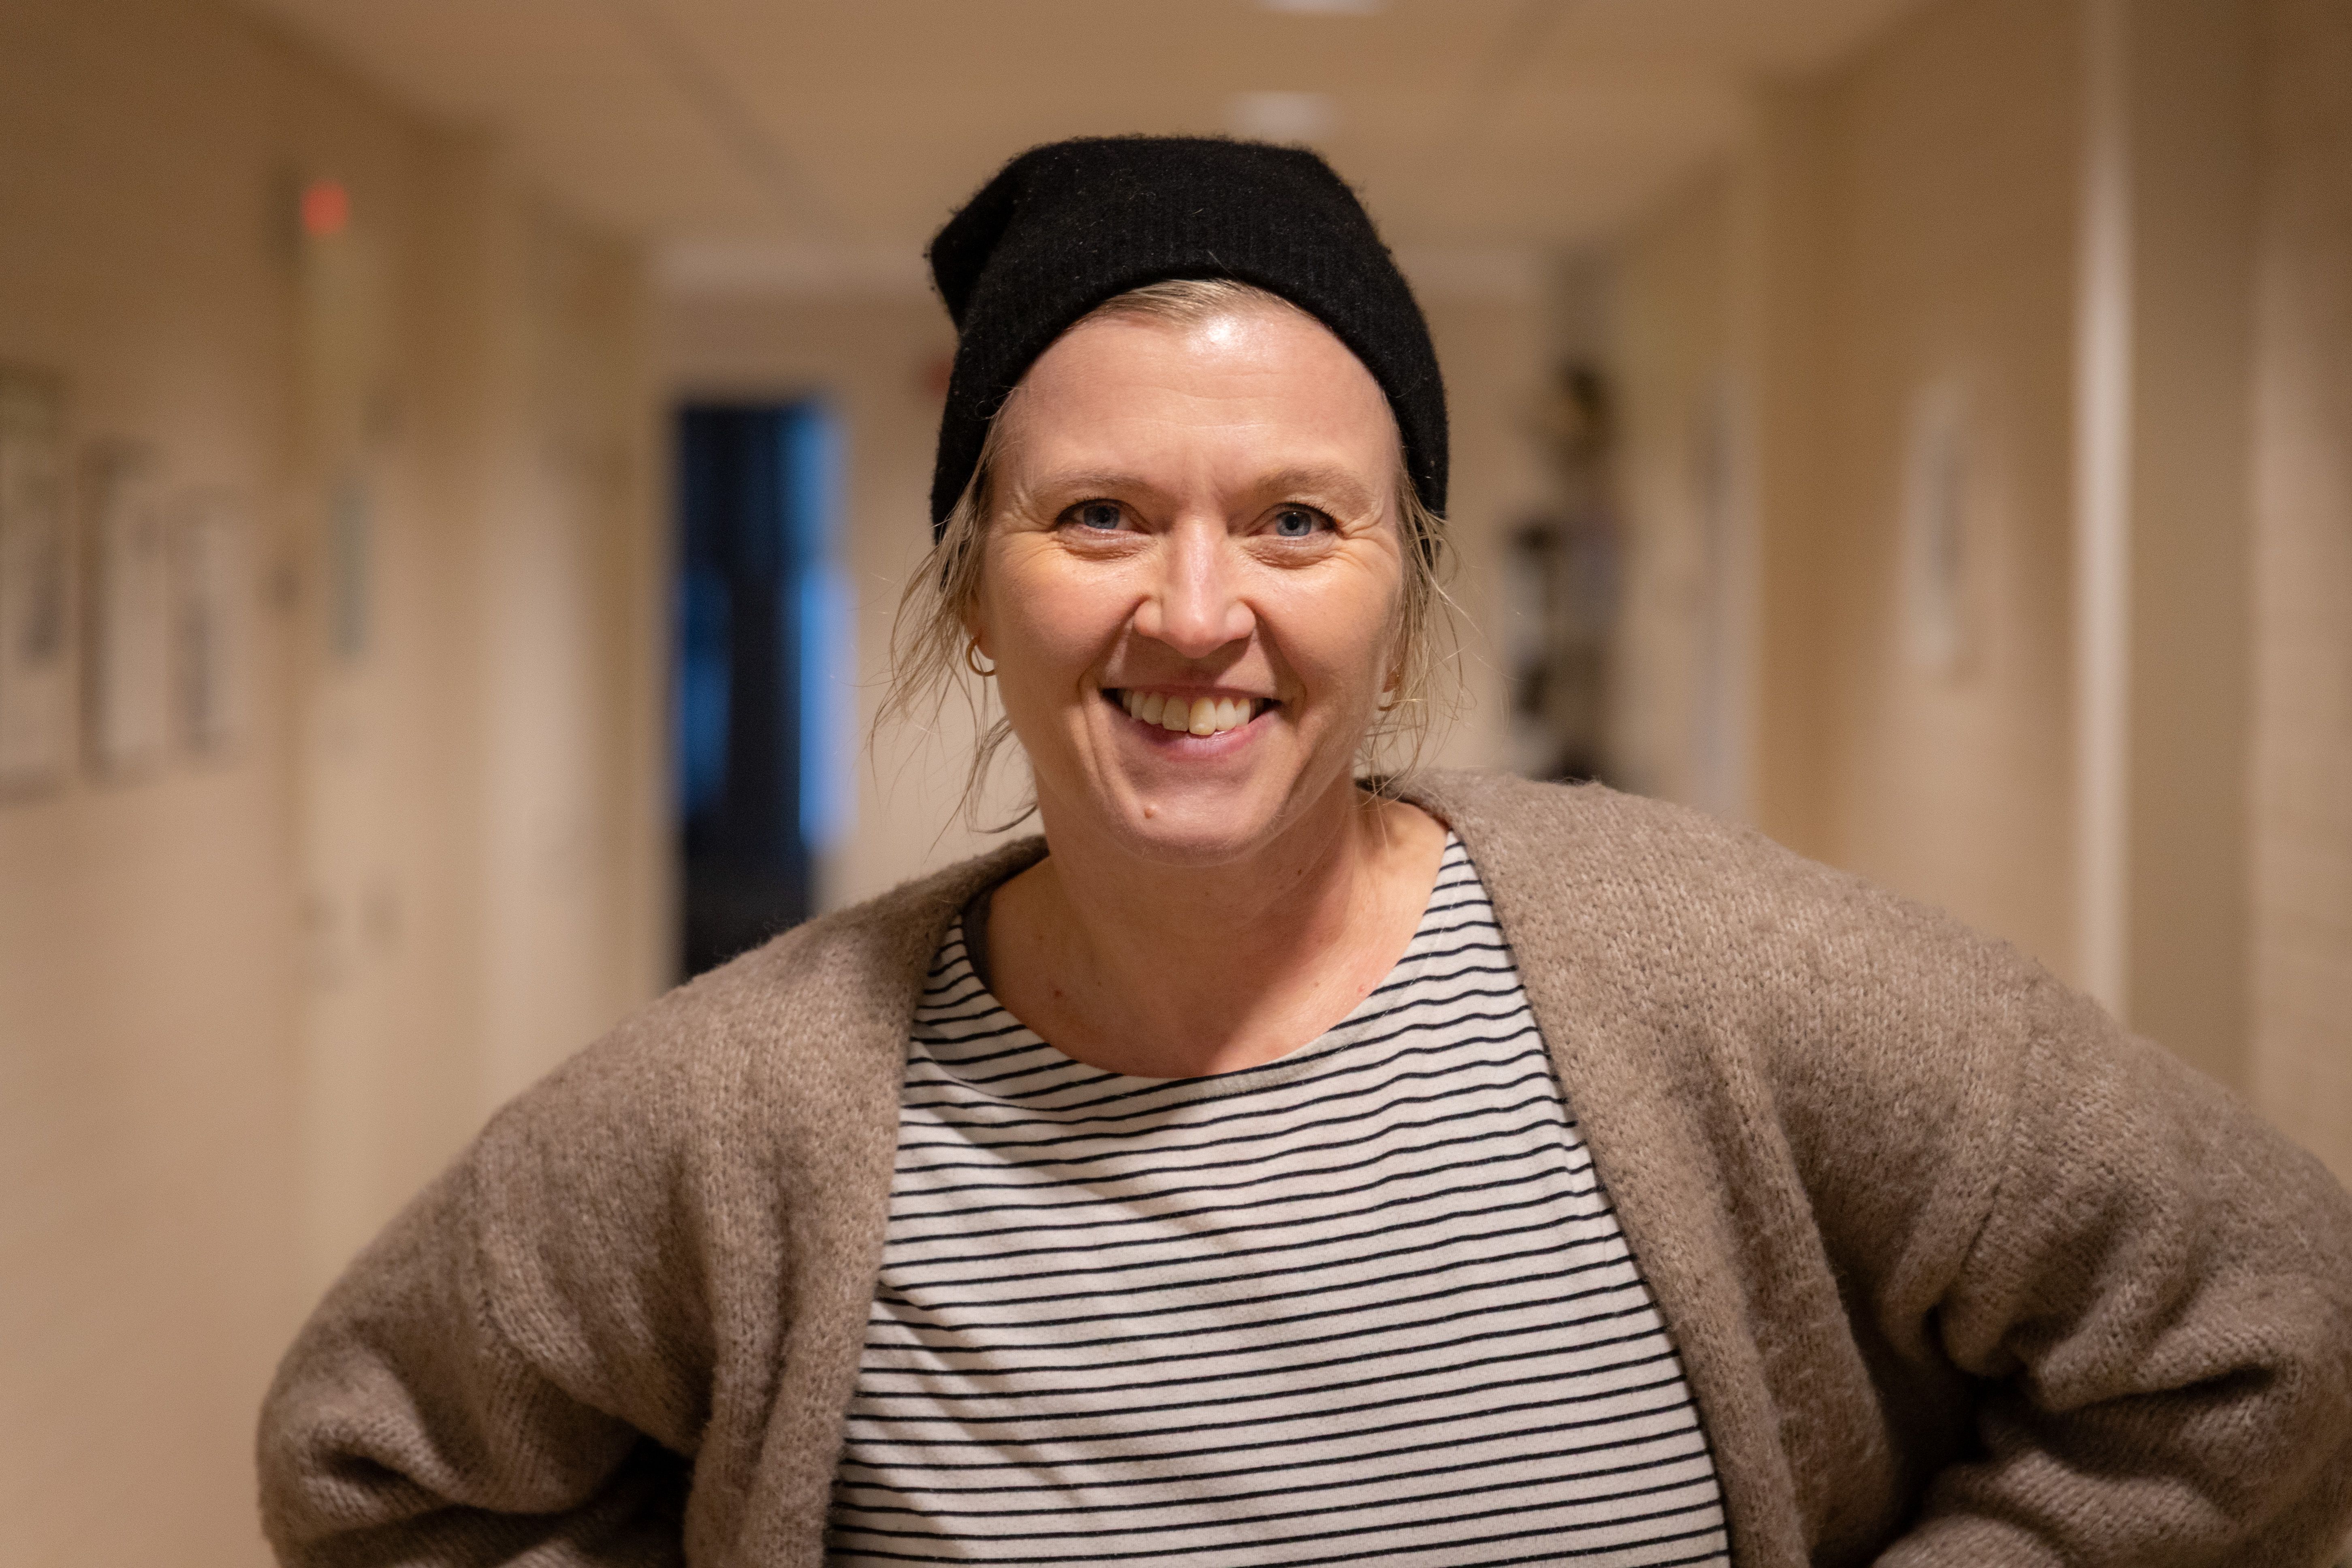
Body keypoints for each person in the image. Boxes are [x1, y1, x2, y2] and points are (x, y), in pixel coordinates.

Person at [258, 137, 2352, 1568]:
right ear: (972, 592)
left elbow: (2263, 1325)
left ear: (1404, 598)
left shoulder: (1719, 981)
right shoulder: (750, 1103)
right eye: (1098, 516)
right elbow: (370, 1470)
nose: (1197, 612)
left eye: (1294, 521)